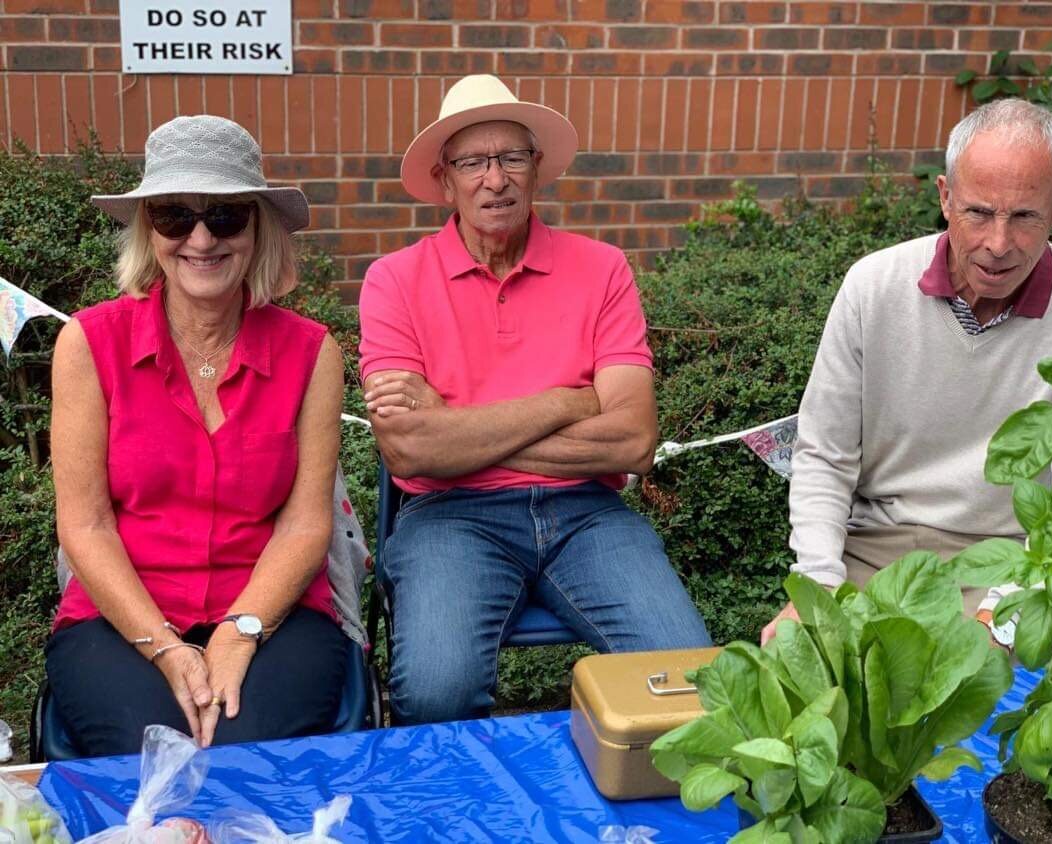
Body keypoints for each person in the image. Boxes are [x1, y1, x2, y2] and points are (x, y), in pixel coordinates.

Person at [359, 74, 711, 725]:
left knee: (686, 681)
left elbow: (633, 440)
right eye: (472, 162)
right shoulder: (394, 281)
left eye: (510, 158)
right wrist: (566, 400)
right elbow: (410, 452)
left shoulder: (601, 267)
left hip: (586, 512)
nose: (494, 179)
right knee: (435, 694)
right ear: (445, 180)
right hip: (451, 517)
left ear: (536, 168)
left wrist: (453, 427)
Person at [47, 115, 350, 756]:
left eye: (226, 215)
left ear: (258, 227)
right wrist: (164, 647)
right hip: (121, 614)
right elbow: (86, 526)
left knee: (246, 754)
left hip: (274, 613)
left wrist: (241, 631)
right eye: (175, 216)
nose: (202, 237)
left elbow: (304, 527)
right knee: (152, 755)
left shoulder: (311, 353)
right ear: (148, 230)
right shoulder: (88, 343)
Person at [762, 98, 1052, 646]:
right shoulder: (872, 287)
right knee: (798, 669)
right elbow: (824, 454)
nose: (998, 244)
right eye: (979, 212)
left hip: (1016, 558)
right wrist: (817, 585)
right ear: (945, 197)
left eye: (1024, 216)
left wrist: (1003, 617)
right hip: (875, 547)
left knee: (983, 692)